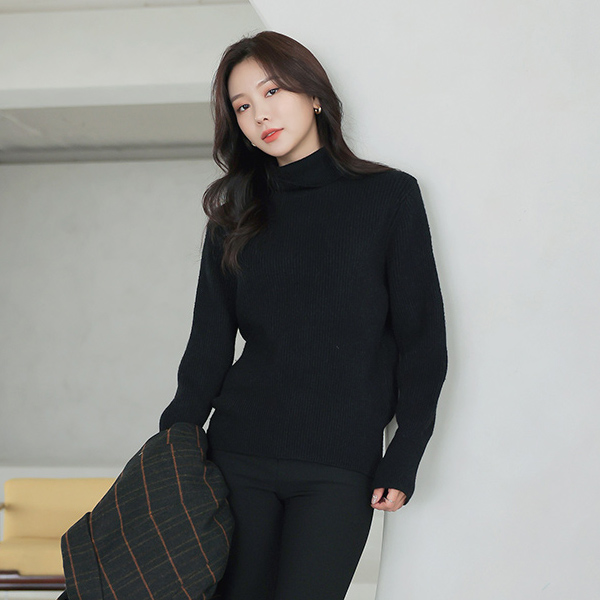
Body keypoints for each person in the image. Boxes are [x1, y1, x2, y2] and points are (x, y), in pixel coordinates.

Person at [159, 30, 448, 600]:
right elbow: (209, 344)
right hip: (237, 454)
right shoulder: (233, 213)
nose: (260, 114)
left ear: (314, 95)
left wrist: (406, 452)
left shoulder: (389, 197)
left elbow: (422, 338)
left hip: (339, 464)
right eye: (243, 106)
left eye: (272, 91)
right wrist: (174, 443)